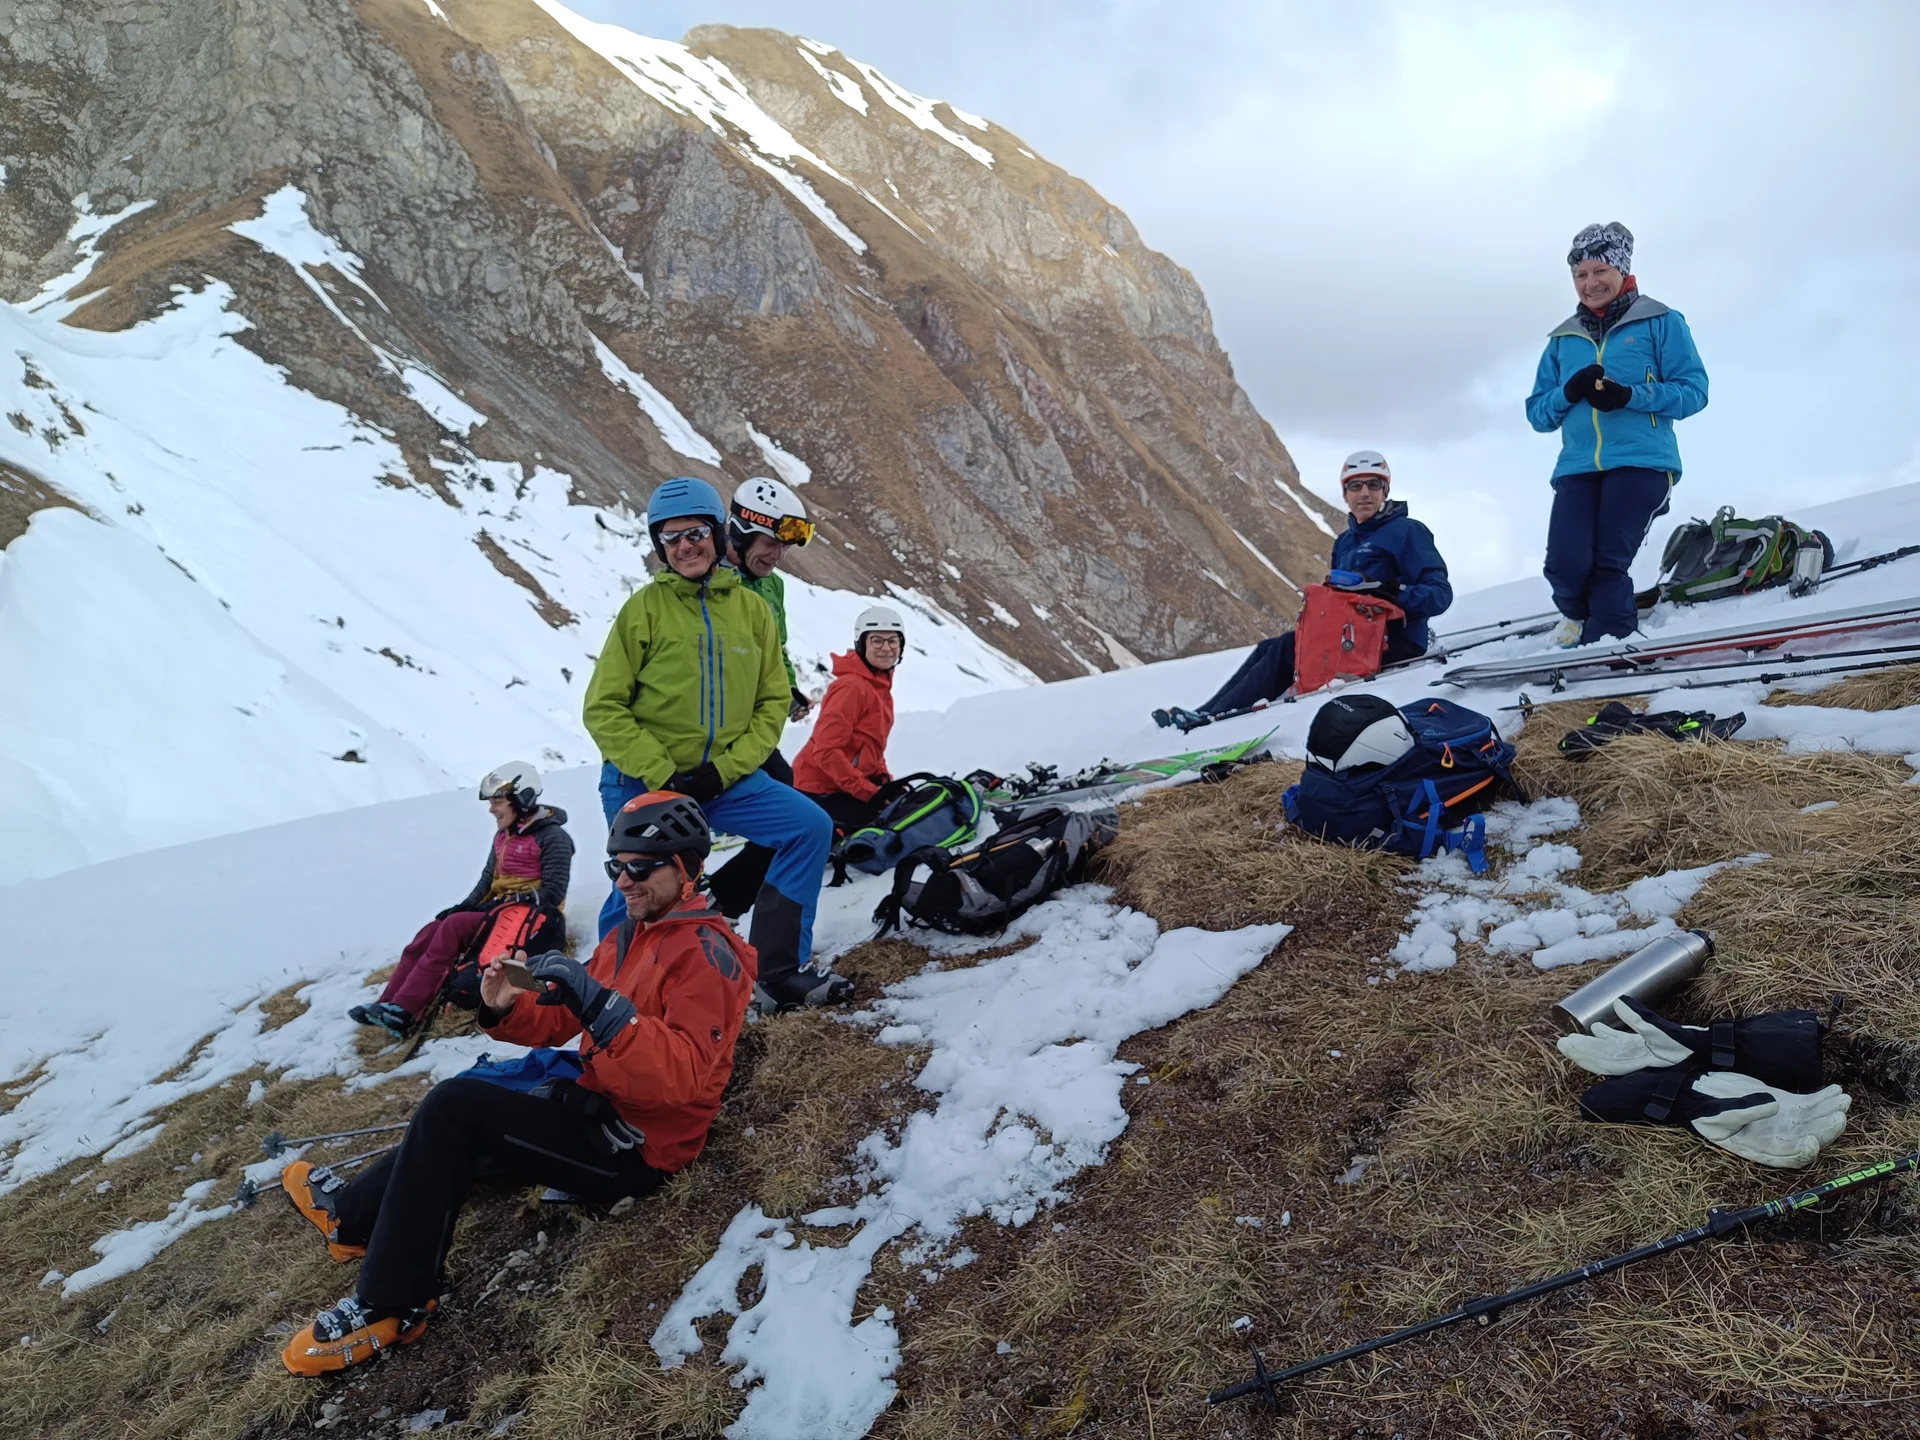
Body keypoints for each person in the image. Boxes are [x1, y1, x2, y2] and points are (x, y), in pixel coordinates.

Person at [280, 792, 755, 1375]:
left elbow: (683, 1077)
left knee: (456, 1108)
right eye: (616, 866)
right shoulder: (632, 933)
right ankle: (350, 1219)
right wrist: (506, 1006)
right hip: (593, 1103)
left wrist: (603, 1009)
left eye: (639, 867)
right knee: (466, 1109)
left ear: (687, 868)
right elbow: (561, 1018)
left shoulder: (712, 954)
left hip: (639, 1145)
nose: (624, 881)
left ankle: (391, 1304)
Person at [583, 476, 848, 1011]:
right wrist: (662, 773)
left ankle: (777, 971)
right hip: (643, 780)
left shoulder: (751, 611)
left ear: (716, 533)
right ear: (661, 547)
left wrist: (723, 772)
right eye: (672, 538)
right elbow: (603, 708)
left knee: (809, 827)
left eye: (696, 532)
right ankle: (609, 999)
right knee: (638, 882)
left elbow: (772, 702)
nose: (686, 545)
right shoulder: (644, 611)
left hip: (722, 779)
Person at [1154, 452, 1451, 728]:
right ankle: (1206, 710)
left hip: (1394, 640)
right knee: (1270, 646)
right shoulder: (1345, 542)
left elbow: (1439, 594)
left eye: (1373, 485)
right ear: (1345, 494)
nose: (1364, 493)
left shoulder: (1408, 532)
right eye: (1355, 486)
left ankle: (1216, 717)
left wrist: (1389, 593)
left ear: (1385, 491)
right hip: (1352, 638)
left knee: (1286, 648)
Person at [1526, 221, 1709, 647]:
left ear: (1622, 270)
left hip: (1643, 462)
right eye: (1580, 275)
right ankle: (1579, 617)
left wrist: (1629, 395)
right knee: (1565, 566)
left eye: (1599, 271)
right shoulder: (1562, 339)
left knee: (1608, 563)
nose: (1590, 283)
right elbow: (1537, 414)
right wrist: (1568, 393)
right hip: (1577, 466)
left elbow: (1693, 391)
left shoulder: (1661, 321)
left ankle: (1610, 646)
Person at [347, 762, 572, 1038]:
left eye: (497, 801)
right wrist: (466, 905)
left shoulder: (553, 837)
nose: (492, 809)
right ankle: (387, 1004)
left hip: (526, 916)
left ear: (522, 798)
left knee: (452, 928)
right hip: (496, 909)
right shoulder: (503, 836)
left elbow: (554, 892)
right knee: (430, 931)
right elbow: (487, 880)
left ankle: (406, 1010)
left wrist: (517, 897)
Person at [706, 476, 819, 918]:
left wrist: (787, 687)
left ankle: (723, 902)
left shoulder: (772, 586)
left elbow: (777, 648)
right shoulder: (706, 578)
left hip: (753, 732)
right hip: (708, 735)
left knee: (792, 810)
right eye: (770, 543)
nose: (778, 556)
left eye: (784, 547)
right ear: (737, 530)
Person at [792, 605, 905, 836]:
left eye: (893, 641)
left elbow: (870, 745)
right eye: (877, 641)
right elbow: (826, 752)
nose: (886, 648)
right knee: (889, 829)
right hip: (818, 791)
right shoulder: (852, 687)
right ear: (861, 644)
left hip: (843, 786)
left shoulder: (881, 690)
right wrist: (868, 792)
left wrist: (883, 780)